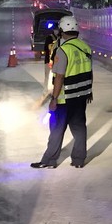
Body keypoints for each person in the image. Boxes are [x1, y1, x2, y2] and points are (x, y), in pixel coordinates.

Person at [31, 16, 93, 169]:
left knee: (57, 129)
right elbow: (89, 71)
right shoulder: (85, 47)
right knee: (79, 129)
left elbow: (59, 77)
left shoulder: (63, 50)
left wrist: (54, 98)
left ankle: (49, 160)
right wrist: (89, 91)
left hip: (65, 99)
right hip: (81, 96)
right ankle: (79, 160)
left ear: (63, 31)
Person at [42, 27, 60, 91]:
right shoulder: (49, 38)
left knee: (55, 76)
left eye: (57, 30)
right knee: (47, 75)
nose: (56, 31)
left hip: (56, 61)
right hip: (49, 60)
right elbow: (45, 49)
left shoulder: (60, 38)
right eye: (55, 30)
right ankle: (45, 89)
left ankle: (54, 89)